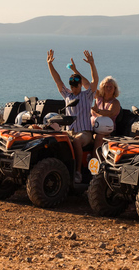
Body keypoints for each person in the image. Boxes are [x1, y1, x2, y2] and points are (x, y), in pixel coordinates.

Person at [47, 49, 98, 183]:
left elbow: (95, 80)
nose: (74, 88)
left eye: (76, 86)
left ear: (81, 85)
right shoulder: (67, 95)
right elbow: (58, 80)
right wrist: (50, 64)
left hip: (84, 133)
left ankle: (78, 172)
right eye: (72, 86)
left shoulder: (87, 95)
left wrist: (92, 64)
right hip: (69, 132)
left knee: (76, 141)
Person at [91, 76, 121, 150]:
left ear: (115, 89)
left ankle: (96, 160)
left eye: (111, 87)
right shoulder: (99, 97)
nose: (108, 88)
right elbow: (88, 85)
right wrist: (75, 71)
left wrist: (97, 111)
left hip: (107, 131)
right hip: (93, 128)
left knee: (99, 137)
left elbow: (110, 113)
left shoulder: (115, 102)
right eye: (106, 86)